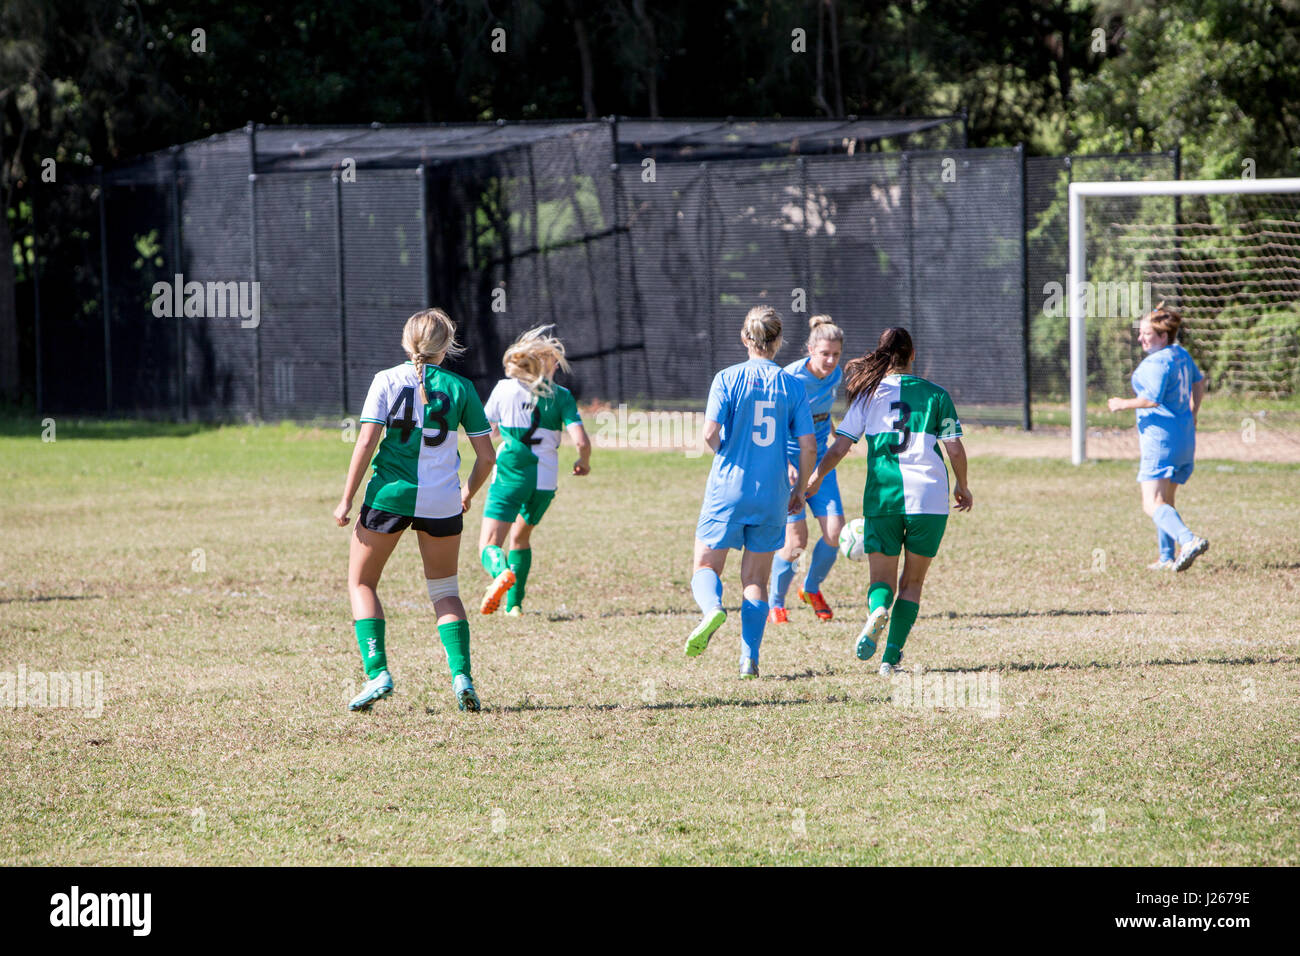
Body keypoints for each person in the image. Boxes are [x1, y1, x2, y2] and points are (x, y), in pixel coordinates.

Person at [334, 308, 496, 713]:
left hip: (390, 495)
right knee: (445, 592)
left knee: (362, 585)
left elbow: (367, 442)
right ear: (447, 345)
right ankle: (462, 677)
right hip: (441, 502)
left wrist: (346, 498)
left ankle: (377, 674)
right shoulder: (462, 387)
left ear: (408, 343)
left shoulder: (386, 380)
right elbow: (487, 457)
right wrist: (467, 492)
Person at [805, 327, 972, 677]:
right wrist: (963, 485)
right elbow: (954, 448)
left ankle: (877, 609)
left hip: (884, 498)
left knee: (882, 580)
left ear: (881, 354)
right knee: (912, 583)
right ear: (913, 355)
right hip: (928, 500)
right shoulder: (935, 394)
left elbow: (840, 446)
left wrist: (817, 476)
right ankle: (890, 658)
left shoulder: (868, 395)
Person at [686, 305, 817, 678]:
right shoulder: (793, 385)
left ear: (746, 338)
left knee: (707, 565)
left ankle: (712, 609)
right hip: (773, 493)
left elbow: (710, 434)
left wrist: (728, 448)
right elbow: (808, 446)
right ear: (778, 341)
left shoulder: (726, 378)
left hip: (728, 488)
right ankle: (749, 659)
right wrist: (800, 489)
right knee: (756, 580)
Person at [478, 326, 591, 616]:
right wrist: (583, 461)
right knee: (520, 538)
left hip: (511, 473)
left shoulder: (504, 389)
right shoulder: (561, 395)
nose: (556, 365)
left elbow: (485, 430)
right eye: (553, 360)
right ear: (542, 363)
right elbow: (581, 440)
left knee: (490, 544)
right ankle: (514, 605)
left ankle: (501, 572)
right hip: (545, 480)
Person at [1107, 303, 1209, 571]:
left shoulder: (1156, 362)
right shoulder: (1180, 354)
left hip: (1161, 440)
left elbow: (1150, 400)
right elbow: (1199, 381)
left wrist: (1121, 403)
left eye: (1147, 334)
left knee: (1151, 502)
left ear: (1163, 337)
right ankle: (1166, 557)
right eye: (1140, 333)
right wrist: (1193, 412)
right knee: (1165, 499)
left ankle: (1188, 541)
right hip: (1184, 437)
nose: (1141, 338)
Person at [768, 314, 846, 623]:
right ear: (810, 350)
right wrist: (784, 462)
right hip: (789, 466)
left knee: (835, 533)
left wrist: (835, 429)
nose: (830, 360)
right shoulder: (789, 378)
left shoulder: (836, 375)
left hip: (821, 463)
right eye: (824, 353)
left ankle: (810, 588)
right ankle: (775, 602)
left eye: (836, 354)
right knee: (796, 542)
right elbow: (771, 425)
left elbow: (820, 413)